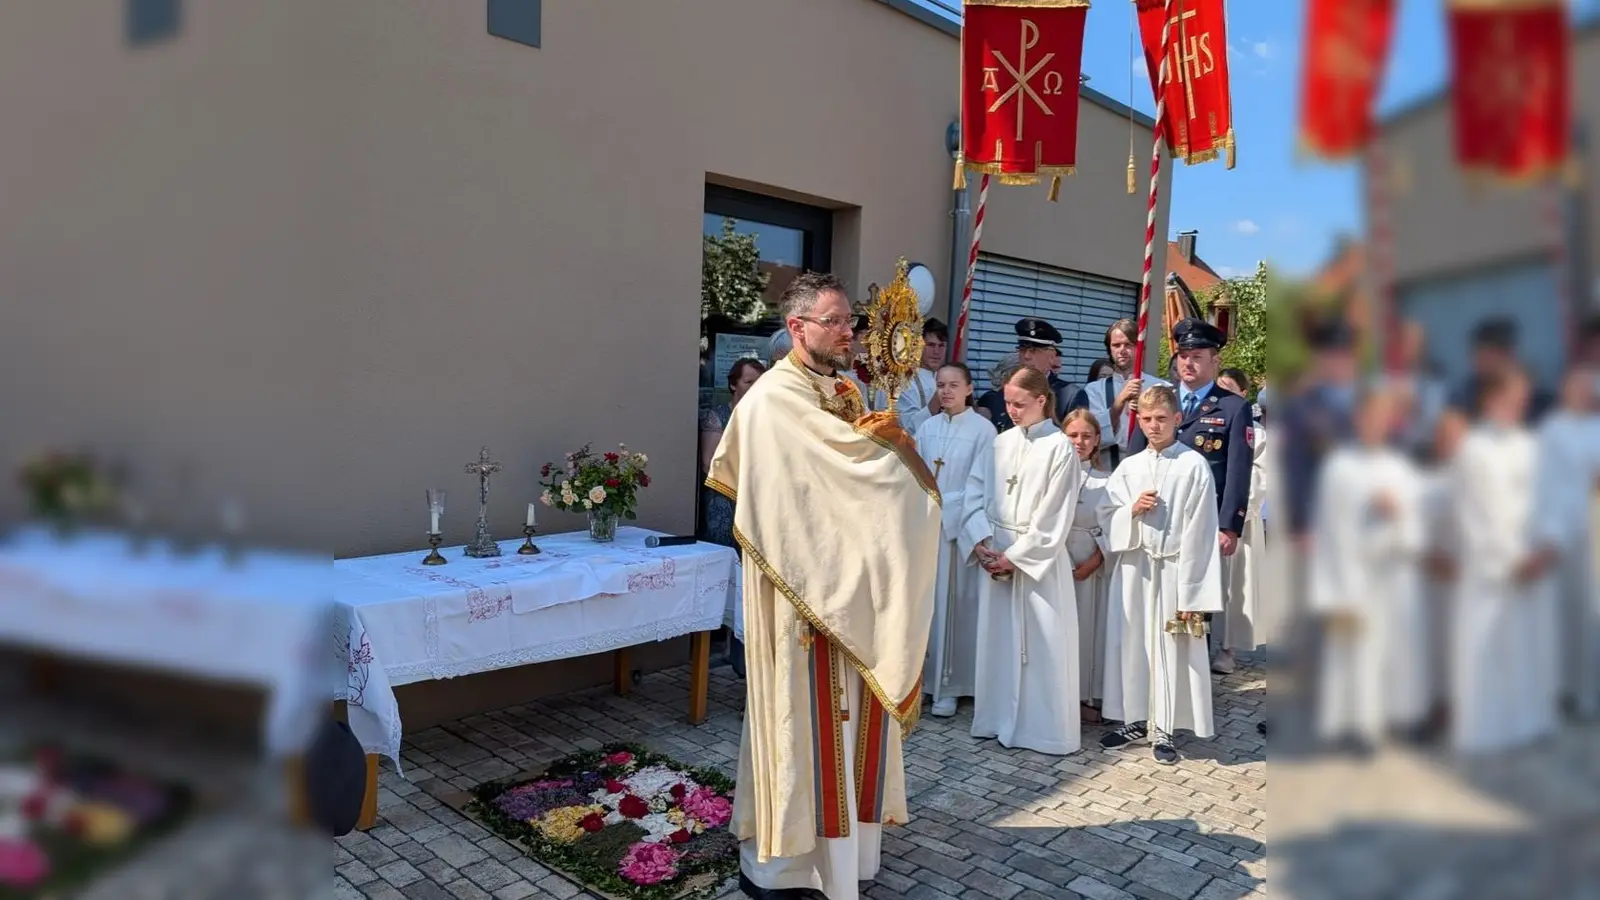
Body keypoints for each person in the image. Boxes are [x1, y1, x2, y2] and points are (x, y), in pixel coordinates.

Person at [706, 271, 940, 900]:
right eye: (834, 321)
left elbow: (855, 481)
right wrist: (890, 455)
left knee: (851, 725)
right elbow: (836, 480)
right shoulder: (776, 399)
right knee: (802, 724)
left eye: (849, 322)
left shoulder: (840, 388)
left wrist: (890, 444)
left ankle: (849, 859)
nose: (848, 333)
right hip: (799, 601)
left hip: (845, 587)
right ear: (797, 327)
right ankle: (785, 867)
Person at [1099, 385, 1224, 765]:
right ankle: (1135, 718)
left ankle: (1165, 726)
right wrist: (1131, 511)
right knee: (1132, 641)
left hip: (1175, 569)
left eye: (1162, 419)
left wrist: (1194, 590)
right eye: (1147, 419)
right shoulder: (1130, 466)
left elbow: (1202, 530)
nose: (1154, 426)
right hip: (1136, 565)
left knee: (1170, 648)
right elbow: (1107, 513)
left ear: (1178, 419)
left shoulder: (1193, 465)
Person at [964, 366, 1083, 755]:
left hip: (1037, 564)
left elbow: (1055, 514)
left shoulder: (1060, 447)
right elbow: (974, 491)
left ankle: (1041, 731)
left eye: (1020, 403)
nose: (1012, 411)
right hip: (995, 552)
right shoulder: (1000, 443)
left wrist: (1015, 557)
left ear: (1041, 401)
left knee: (1042, 646)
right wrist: (980, 539)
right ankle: (996, 718)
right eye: (1008, 403)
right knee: (997, 643)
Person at [1127, 319, 1252, 674]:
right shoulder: (1157, 400)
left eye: (1197, 356)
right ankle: (1151, 671)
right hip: (1154, 520)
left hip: (1202, 523)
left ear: (1215, 361)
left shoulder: (1231, 407)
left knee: (1193, 599)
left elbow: (1237, 471)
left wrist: (1230, 525)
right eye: (1183, 356)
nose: (1188, 363)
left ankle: (1189, 675)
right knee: (1154, 601)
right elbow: (1135, 457)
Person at [1308, 386, 1429, 751]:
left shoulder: (1401, 467)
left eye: (1383, 417)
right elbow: (1329, 530)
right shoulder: (1339, 467)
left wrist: (1400, 516)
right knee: (1357, 654)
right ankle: (1356, 726)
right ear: (1358, 420)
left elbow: (1418, 522)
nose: (1376, 424)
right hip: (1355, 576)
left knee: (1398, 650)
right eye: (1369, 416)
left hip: (1395, 574)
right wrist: (1332, 591)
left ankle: (1400, 717)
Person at [1449, 366, 1559, 755]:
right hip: (1493, 566)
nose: (1519, 405)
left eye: (1522, 400)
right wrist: (1510, 557)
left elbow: (1548, 499)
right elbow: (1475, 511)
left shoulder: (1530, 446)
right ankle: (1488, 730)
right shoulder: (1474, 449)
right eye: (1512, 398)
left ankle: (1530, 722)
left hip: (1533, 562)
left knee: (1531, 648)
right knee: (1490, 649)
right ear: (1492, 400)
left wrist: (1546, 545)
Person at [914, 362, 997, 718]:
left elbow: (984, 487)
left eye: (953, 385)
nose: (946, 391)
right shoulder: (926, 427)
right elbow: (914, 474)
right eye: (941, 385)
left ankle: (952, 685)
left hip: (960, 532)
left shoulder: (984, 430)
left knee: (959, 607)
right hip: (928, 530)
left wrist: (946, 510)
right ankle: (924, 682)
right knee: (926, 607)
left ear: (968, 388)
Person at [1532, 367, 1600, 718]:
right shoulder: (1551, 429)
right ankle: (1566, 691)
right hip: (1564, 533)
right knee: (1566, 614)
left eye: (1589, 389)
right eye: (1577, 388)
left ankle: (1592, 693)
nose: (1584, 395)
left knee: (1594, 615)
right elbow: (1544, 483)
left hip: (1596, 532)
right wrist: (1549, 532)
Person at [699, 357, 767, 677]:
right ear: (732, 384)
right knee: (724, 570)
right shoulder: (719, 416)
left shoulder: (765, 418)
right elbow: (709, 463)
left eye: (758, 382)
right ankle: (717, 643)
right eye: (748, 382)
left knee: (747, 579)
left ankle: (738, 646)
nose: (753, 388)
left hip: (756, 507)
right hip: (725, 503)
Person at [1062, 408, 1114, 725]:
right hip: (1058, 560)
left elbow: (1113, 528)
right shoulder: (1050, 476)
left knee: (1089, 631)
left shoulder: (1107, 480)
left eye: (1086, 436)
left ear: (1096, 441)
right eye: (1072, 435)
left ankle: (1087, 696)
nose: (1079, 442)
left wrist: (1093, 561)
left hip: (1091, 565)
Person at [1215, 368, 1266, 666]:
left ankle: (1228, 648)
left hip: (1238, 518)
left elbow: (1260, 476)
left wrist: (1232, 506)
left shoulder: (1258, 433)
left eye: (1229, 388)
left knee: (1235, 586)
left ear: (1243, 394)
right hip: (1206, 511)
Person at [1072, 319, 1171, 470]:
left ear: (1139, 348)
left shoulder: (1161, 387)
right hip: (1106, 471)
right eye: (1116, 345)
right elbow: (1091, 435)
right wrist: (1119, 402)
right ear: (1109, 349)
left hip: (1148, 470)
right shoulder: (1094, 390)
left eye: (1128, 345)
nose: (1122, 350)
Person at [975, 318, 1069, 432]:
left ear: (1052, 356)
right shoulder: (1002, 395)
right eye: (1023, 349)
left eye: (1034, 350)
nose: (1027, 356)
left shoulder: (1068, 396)